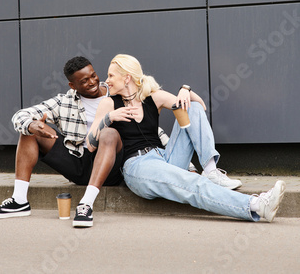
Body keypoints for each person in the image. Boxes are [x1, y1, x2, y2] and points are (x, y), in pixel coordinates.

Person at [84, 54, 285, 227]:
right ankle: (256, 205)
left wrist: (185, 89)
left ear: (127, 77)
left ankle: (210, 169)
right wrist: (109, 118)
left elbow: (200, 108)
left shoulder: (153, 97)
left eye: (111, 76)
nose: (107, 81)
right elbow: (90, 145)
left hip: (164, 157)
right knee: (193, 183)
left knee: (190, 107)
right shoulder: (108, 103)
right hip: (138, 166)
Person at [0, 56, 124, 219]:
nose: (92, 82)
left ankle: (86, 205)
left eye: (93, 76)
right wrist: (31, 125)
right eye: (84, 81)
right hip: (77, 163)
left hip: (110, 166)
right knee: (31, 128)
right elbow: (20, 115)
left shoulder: (116, 94)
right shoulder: (65, 102)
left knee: (109, 133)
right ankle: (19, 201)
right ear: (73, 85)